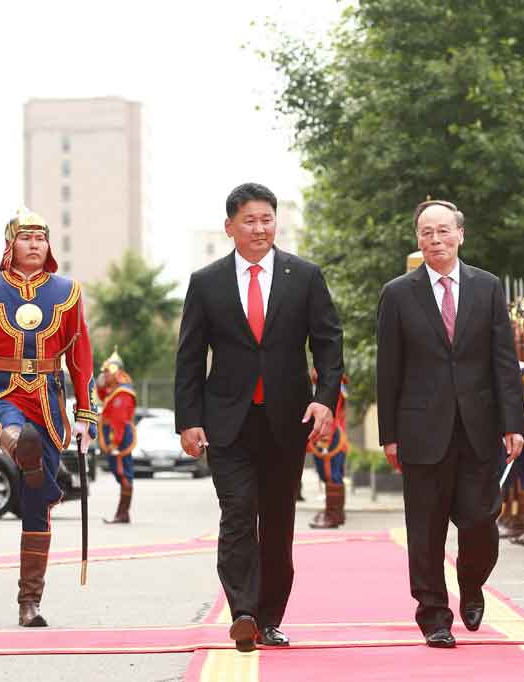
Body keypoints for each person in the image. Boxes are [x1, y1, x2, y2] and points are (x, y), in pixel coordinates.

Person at [175, 182, 344, 652]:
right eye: (248, 220)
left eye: (267, 219)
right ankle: (243, 613)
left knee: (276, 521)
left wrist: (325, 398)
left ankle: (270, 617)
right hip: (226, 421)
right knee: (236, 514)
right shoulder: (206, 281)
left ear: (276, 223)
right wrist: (188, 420)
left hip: (286, 420)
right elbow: (189, 357)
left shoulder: (304, 276)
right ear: (229, 227)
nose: (259, 228)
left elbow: (329, 342)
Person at [376, 199, 524, 648]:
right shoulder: (398, 293)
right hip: (421, 430)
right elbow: (389, 369)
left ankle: (472, 582)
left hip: (478, 427)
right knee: (425, 527)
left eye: (443, 231)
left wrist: (512, 422)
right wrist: (389, 435)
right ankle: (434, 615)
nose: (435, 240)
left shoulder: (487, 287)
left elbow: (505, 361)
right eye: (426, 233)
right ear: (417, 239)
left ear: (461, 234)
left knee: (481, 521)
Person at [0, 207, 96, 628]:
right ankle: (17, 445)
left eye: (40, 238)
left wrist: (85, 413)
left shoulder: (68, 291)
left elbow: (80, 358)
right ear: (9, 244)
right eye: (25, 237)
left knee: (37, 506)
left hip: (48, 401)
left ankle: (29, 602)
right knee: (11, 425)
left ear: (48, 245)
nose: (34, 244)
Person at [96, 349, 137, 524]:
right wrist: (100, 385)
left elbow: (119, 420)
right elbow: (103, 396)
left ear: (115, 370)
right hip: (115, 435)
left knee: (123, 473)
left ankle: (123, 513)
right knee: (119, 472)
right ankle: (123, 513)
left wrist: (114, 442)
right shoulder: (115, 389)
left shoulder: (123, 392)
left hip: (118, 437)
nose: (104, 375)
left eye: (106, 372)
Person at [307, 372, 349, 529]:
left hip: (330, 434)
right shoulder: (325, 383)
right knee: (328, 475)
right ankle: (334, 512)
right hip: (329, 434)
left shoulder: (334, 384)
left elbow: (334, 411)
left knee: (331, 474)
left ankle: (333, 514)